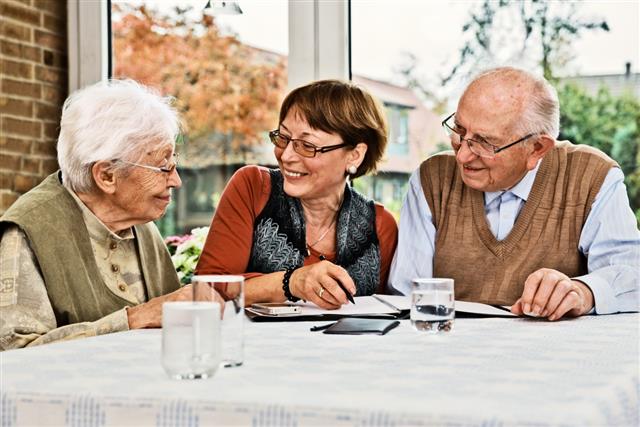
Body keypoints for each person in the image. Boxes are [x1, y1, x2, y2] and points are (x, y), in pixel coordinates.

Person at [389, 67, 639, 320]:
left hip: (553, 353)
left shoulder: (593, 176)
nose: (462, 155)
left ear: (537, 148)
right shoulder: (430, 179)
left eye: (485, 142)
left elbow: (631, 274)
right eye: (460, 130)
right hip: (451, 351)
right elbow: (406, 295)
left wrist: (583, 291)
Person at [0, 80, 217, 350]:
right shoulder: (27, 232)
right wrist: (134, 319)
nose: (176, 181)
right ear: (106, 176)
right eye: (163, 168)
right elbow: (14, 353)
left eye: (174, 164)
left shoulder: (140, 223)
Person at [196, 79, 398, 309]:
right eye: (283, 138)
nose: (286, 156)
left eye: (307, 145)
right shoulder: (254, 187)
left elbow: (383, 312)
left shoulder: (380, 227)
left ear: (354, 155)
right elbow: (207, 290)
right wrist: (291, 283)